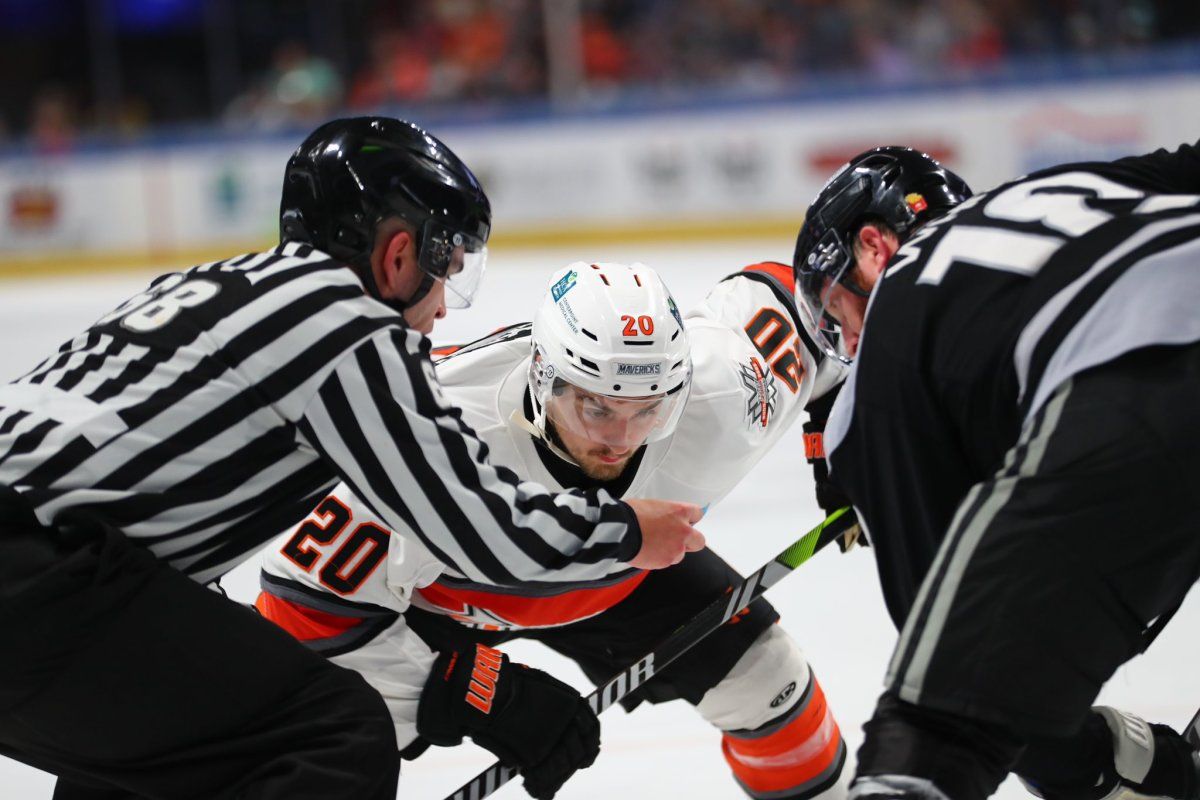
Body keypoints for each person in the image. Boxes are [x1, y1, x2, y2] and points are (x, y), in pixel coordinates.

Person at [0, 116, 706, 800]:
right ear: (400, 254)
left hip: (51, 580)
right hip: (36, 583)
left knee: (162, 758)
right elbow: (477, 526)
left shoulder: (217, 288)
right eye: (447, 268)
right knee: (338, 735)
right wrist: (627, 531)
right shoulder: (344, 324)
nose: (444, 311)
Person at [256, 260, 854, 799]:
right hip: (429, 604)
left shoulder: (726, 390)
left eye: (649, 410)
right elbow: (298, 606)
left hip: (620, 568)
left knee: (766, 683)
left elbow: (818, 310)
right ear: (544, 377)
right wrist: (485, 692)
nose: (621, 441)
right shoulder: (433, 433)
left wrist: (847, 448)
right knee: (322, 747)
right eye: (597, 408)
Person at [793, 143, 1200, 800]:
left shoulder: (888, 340)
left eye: (837, 314)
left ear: (873, 248)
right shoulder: (1059, 188)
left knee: (937, 727)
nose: (844, 349)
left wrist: (1124, 763)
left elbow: (970, 657)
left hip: (1151, 385)